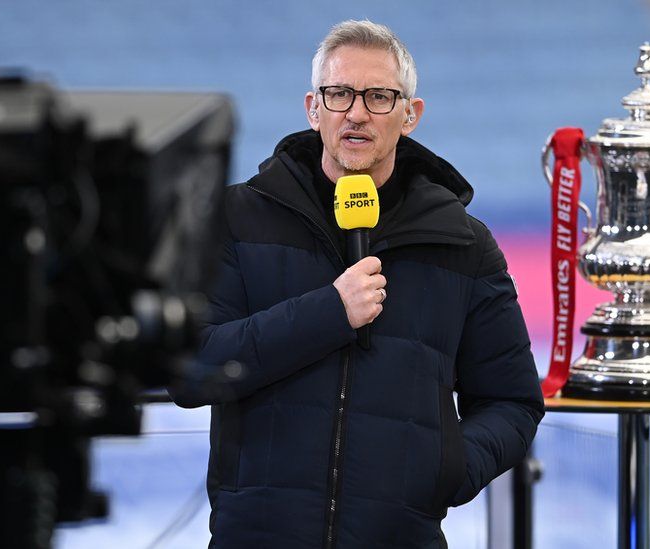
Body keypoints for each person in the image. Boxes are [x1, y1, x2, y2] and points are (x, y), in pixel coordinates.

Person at [168, 19, 544, 548]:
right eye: (340, 93)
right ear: (313, 107)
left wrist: (445, 467)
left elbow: (513, 402)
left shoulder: (464, 243)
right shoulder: (236, 217)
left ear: (410, 115)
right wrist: (329, 312)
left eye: (379, 97)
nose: (357, 112)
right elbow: (191, 370)